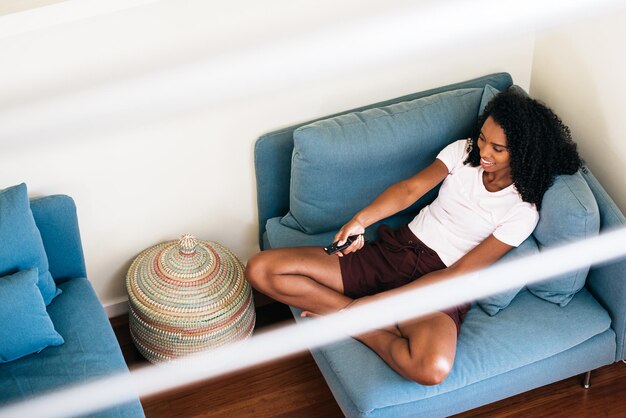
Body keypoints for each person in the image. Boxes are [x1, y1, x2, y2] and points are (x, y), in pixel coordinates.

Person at [245, 88, 583, 385]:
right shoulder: (464, 152)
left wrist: (375, 305)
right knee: (261, 269)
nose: (484, 151)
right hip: (396, 251)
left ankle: (349, 321)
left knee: (432, 368)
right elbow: (410, 190)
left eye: (498, 148)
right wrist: (360, 221)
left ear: (522, 154)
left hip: (442, 284)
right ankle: (351, 315)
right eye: (483, 138)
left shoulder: (522, 210)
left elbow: (459, 274)